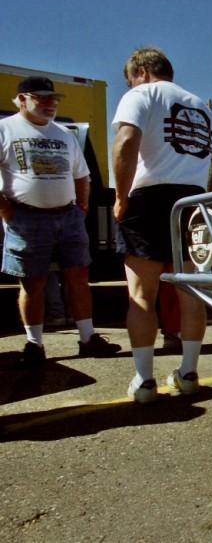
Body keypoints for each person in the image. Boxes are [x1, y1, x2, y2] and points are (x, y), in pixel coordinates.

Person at [112, 48, 212, 404]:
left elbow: (126, 141)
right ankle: (189, 373)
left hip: (149, 199)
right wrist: (208, 201)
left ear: (142, 71)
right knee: (190, 292)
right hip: (191, 202)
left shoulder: (140, 94)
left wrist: (120, 196)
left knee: (141, 294)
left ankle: (145, 381)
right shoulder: (200, 104)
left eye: (130, 77)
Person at [0, 76, 122, 365]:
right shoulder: (5, 129)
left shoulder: (64, 134)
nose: (49, 103)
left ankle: (88, 338)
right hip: (26, 217)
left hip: (68, 217)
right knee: (33, 282)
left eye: (52, 98)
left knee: (78, 276)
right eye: (40, 97)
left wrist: (80, 207)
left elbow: (82, 175)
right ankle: (34, 345)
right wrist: (7, 210)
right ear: (20, 99)